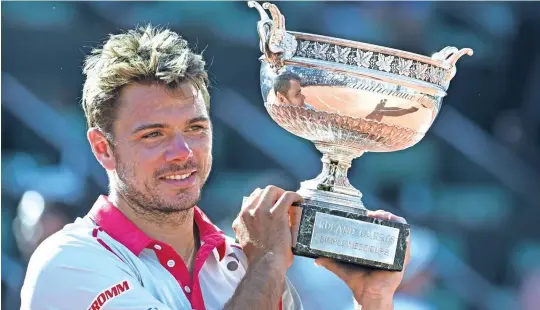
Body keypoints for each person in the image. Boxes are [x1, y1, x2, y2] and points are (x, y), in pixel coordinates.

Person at [21, 25, 411, 310]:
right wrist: (268, 261)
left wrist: (372, 300)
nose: (182, 151)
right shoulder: (69, 262)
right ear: (103, 148)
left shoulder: (246, 265)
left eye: (195, 128)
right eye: (153, 135)